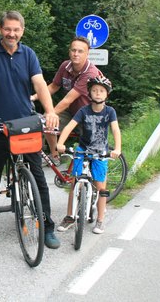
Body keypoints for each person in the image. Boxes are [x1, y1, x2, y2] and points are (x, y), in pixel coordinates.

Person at [0, 10, 61, 249]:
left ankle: (47, 225)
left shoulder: (28, 54)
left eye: (16, 29)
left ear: (22, 31)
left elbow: (40, 84)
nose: (12, 33)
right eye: (7, 29)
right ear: (0, 29)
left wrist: (50, 111)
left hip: (25, 124)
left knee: (38, 176)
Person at [55, 75, 121, 235]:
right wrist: (60, 143)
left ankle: (100, 219)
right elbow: (69, 127)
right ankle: (70, 216)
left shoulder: (109, 111)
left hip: (100, 152)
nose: (98, 93)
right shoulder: (83, 111)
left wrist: (117, 148)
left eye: (101, 91)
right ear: (89, 94)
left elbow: (115, 130)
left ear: (107, 94)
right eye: (94, 91)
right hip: (82, 151)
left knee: (101, 187)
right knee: (74, 182)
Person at [31, 36, 101, 162]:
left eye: (80, 51)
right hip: (70, 110)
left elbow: (68, 99)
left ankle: (87, 173)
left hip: (88, 113)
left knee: (89, 150)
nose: (76, 54)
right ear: (69, 51)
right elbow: (53, 86)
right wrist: (34, 97)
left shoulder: (90, 73)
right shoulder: (65, 66)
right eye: (73, 50)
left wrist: (50, 113)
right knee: (48, 125)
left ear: (87, 53)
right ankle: (55, 156)